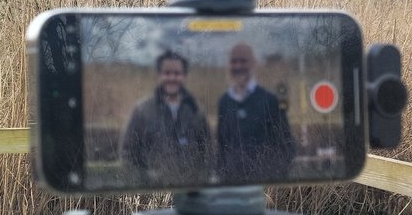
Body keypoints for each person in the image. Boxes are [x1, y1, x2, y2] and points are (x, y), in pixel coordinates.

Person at [119, 50, 212, 186]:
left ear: (184, 76)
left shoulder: (196, 111)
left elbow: (208, 152)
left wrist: (201, 182)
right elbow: (128, 153)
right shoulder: (142, 111)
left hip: (191, 193)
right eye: (167, 73)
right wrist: (142, 185)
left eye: (177, 73)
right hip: (154, 195)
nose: (172, 78)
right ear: (159, 75)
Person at [215, 42, 297, 185]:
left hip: (263, 189)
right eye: (234, 61)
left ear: (253, 64)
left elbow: (287, 147)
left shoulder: (270, 101)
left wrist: (270, 178)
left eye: (243, 61)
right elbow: (221, 146)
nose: (238, 66)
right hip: (230, 187)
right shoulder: (224, 102)